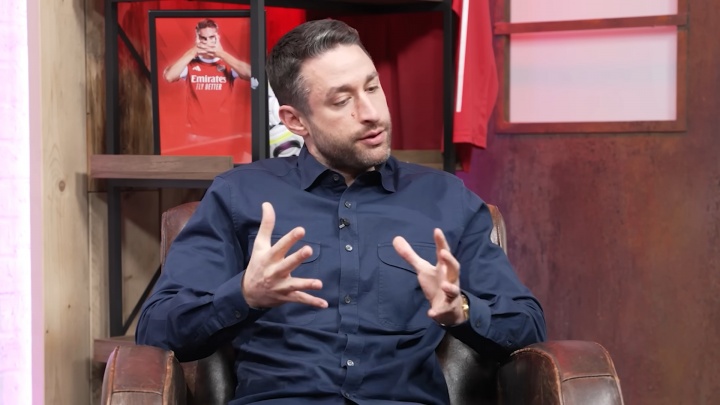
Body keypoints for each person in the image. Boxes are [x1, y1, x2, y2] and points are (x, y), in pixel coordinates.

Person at [137, 19, 546, 405]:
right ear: (295, 120)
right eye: (342, 100)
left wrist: (463, 311)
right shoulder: (239, 195)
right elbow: (156, 328)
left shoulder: (446, 198)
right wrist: (243, 295)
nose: (371, 112)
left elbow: (527, 326)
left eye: (372, 87)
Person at [163, 18, 252, 155]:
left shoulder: (227, 63)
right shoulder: (190, 64)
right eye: (203, 38)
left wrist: (220, 53)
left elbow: (251, 74)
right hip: (196, 136)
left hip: (225, 135)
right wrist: (193, 51)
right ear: (197, 38)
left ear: (217, 37)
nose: (207, 42)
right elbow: (169, 76)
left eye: (211, 37)